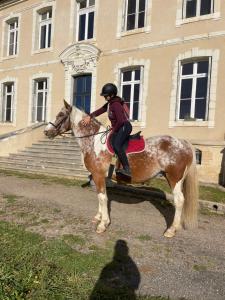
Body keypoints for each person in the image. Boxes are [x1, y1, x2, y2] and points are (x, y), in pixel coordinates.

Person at [82, 83, 132, 178]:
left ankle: (127, 169)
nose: (104, 97)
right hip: (119, 127)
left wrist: (113, 130)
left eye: (106, 95)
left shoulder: (116, 104)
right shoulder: (110, 104)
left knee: (116, 145)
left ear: (112, 95)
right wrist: (89, 116)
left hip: (124, 126)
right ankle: (110, 171)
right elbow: (100, 110)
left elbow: (121, 121)